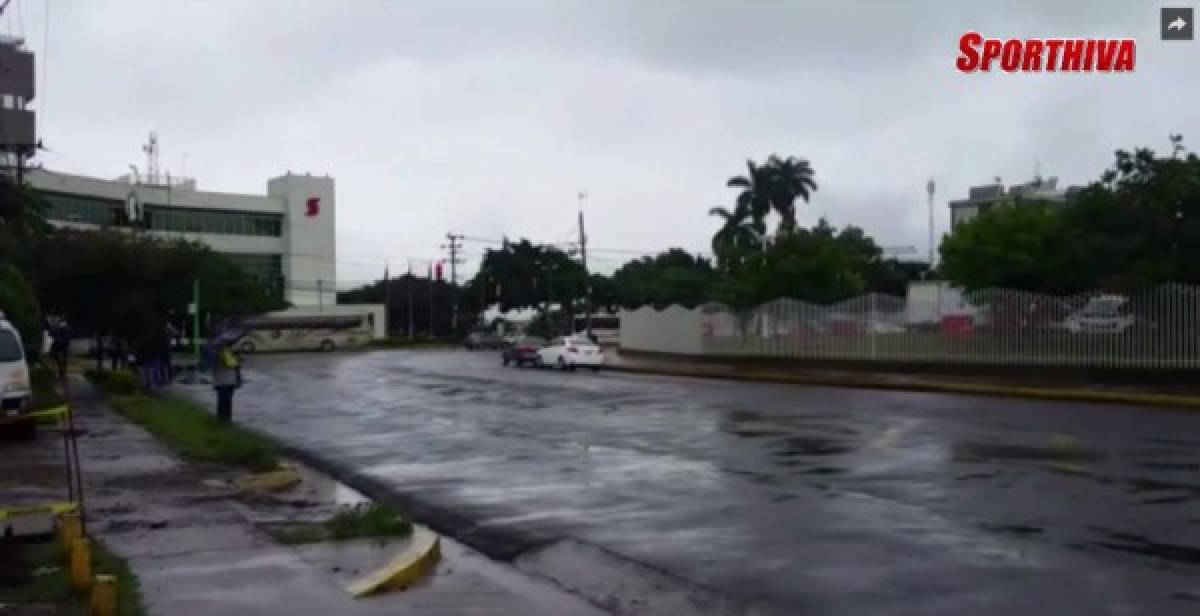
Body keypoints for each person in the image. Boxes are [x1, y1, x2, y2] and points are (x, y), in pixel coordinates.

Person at [211, 340, 241, 424]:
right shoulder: (219, 354)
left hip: (228, 381)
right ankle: (223, 420)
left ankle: (225, 419)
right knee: (224, 401)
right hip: (222, 382)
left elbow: (237, 368)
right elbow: (229, 364)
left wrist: (238, 379)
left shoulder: (231, 354)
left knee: (226, 402)